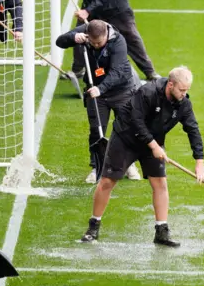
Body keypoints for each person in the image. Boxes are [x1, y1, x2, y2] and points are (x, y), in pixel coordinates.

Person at [80, 66, 204, 247]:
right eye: (182, 90)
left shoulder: (183, 103)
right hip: (126, 138)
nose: (184, 94)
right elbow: (137, 122)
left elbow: (193, 129)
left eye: (187, 90)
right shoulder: (148, 92)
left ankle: (161, 232)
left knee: (160, 183)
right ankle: (93, 227)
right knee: (108, 181)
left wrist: (199, 162)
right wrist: (154, 146)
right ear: (170, 85)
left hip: (152, 142)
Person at [56, 19, 141, 183]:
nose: (95, 45)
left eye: (99, 42)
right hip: (95, 92)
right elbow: (60, 42)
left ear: (106, 35)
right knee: (96, 130)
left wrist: (101, 89)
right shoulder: (85, 32)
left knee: (125, 129)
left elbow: (116, 72)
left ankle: (128, 164)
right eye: (92, 42)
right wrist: (74, 37)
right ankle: (97, 167)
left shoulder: (118, 42)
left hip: (121, 90)